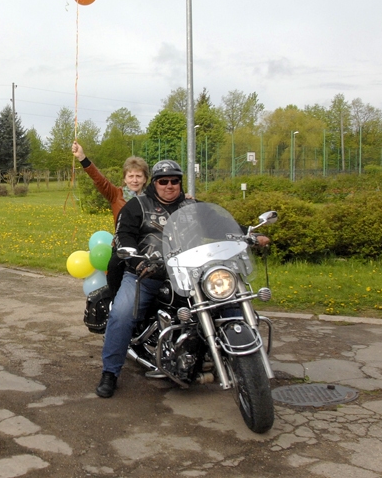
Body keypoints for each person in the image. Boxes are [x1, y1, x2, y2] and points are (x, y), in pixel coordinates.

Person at [95, 160, 268, 399]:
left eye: (174, 181)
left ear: (180, 182)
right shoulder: (137, 206)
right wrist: (139, 262)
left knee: (228, 302)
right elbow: (124, 238)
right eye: (163, 181)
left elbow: (218, 224)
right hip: (148, 273)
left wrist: (248, 233)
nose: (169, 186)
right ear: (154, 183)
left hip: (191, 273)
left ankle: (244, 360)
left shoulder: (192, 206)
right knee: (123, 313)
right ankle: (110, 372)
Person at [72, 140, 149, 295]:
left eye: (139, 176)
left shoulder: (151, 199)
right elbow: (100, 180)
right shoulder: (116, 195)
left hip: (147, 247)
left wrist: (184, 197)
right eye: (131, 176)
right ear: (125, 179)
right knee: (114, 268)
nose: (135, 180)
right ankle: (114, 302)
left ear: (145, 179)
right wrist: (82, 157)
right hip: (123, 247)